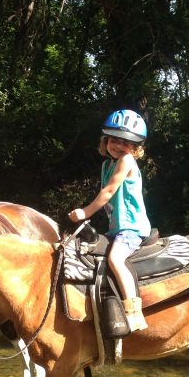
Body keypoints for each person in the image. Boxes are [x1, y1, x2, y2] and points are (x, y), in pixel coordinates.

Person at [69, 109, 151, 332]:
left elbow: (108, 192)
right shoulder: (107, 165)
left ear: (135, 148)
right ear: (106, 140)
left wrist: (85, 212)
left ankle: (134, 312)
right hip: (118, 228)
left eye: (126, 143)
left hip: (132, 227)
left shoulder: (126, 161)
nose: (118, 146)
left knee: (115, 258)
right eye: (114, 139)